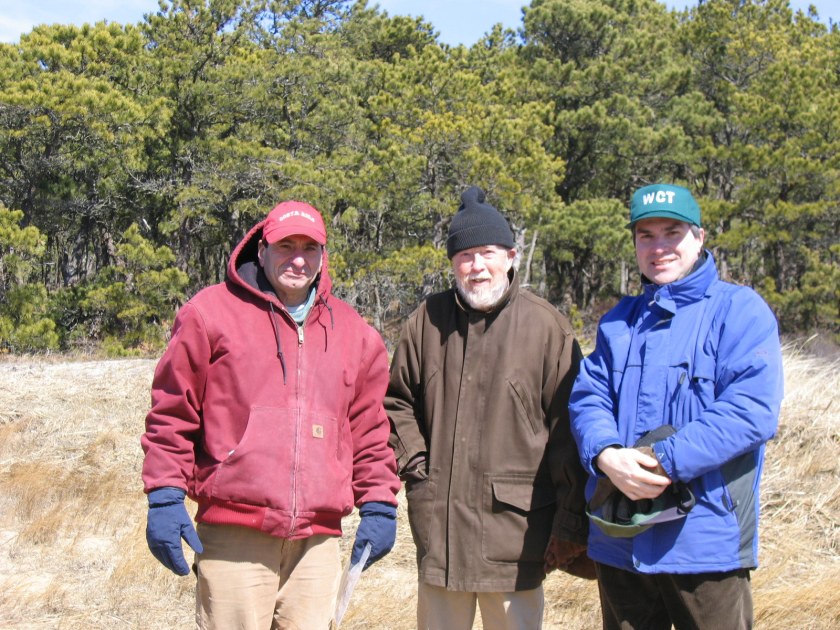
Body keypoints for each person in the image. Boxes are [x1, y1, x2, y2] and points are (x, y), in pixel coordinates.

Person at [141, 200, 400, 629]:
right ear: (261, 249)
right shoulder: (208, 315)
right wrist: (165, 496)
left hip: (317, 543)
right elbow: (172, 412)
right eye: (285, 246)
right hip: (235, 533)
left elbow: (369, 429)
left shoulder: (356, 335)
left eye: (309, 248)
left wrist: (379, 503)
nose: (298, 259)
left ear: (323, 255)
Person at [569, 183, 784, 629]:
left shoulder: (739, 311)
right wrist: (607, 455)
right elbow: (589, 397)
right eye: (646, 235)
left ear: (700, 237)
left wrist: (659, 461)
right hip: (621, 540)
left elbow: (751, 410)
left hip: (704, 543)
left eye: (672, 232)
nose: (659, 247)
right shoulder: (619, 321)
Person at [386, 186, 590, 630]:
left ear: (512, 256)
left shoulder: (547, 328)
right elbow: (397, 401)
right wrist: (419, 469)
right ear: (452, 263)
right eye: (465, 256)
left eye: (488, 252)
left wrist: (571, 523)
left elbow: (570, 435)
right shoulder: (426, 321)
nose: (476, 267)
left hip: (515, 542)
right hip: (440, 536)